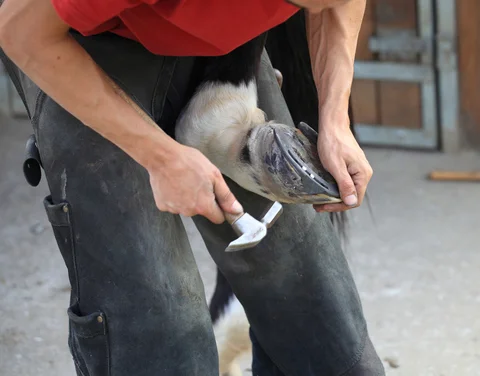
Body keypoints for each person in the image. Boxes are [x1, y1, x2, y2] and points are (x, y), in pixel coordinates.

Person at [0, 0, 384, 375]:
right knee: (157, 324)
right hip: (75, 42)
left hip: (226, 40)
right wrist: (159, 156)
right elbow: (19, 31)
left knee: (319, 316)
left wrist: (334, 119)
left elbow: (341, 4)